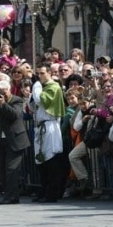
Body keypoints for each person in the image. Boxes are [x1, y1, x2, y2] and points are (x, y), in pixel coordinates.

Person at [30, 63, 66, 203]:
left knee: (51, 160)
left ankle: (52, 193)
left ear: (50, 73)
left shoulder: (53, 87)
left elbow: (41, 100)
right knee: (41, 161)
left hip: (50, 126)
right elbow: (33, 105)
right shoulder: (42, 88)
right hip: (40, 127)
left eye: (42, 73)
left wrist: (36, 87)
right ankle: (43, 190)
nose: (39, 76)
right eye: (38, 73)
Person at [0, 80, 30, 204]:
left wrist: (3, 104)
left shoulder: (17, 100)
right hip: (1, 140)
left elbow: (15, 115)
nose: (2, 95)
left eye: (4, 92)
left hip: (15, 140)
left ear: (9, 89)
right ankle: (8, 194)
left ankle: (12, 196)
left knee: (11, 169)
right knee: (2, 169)